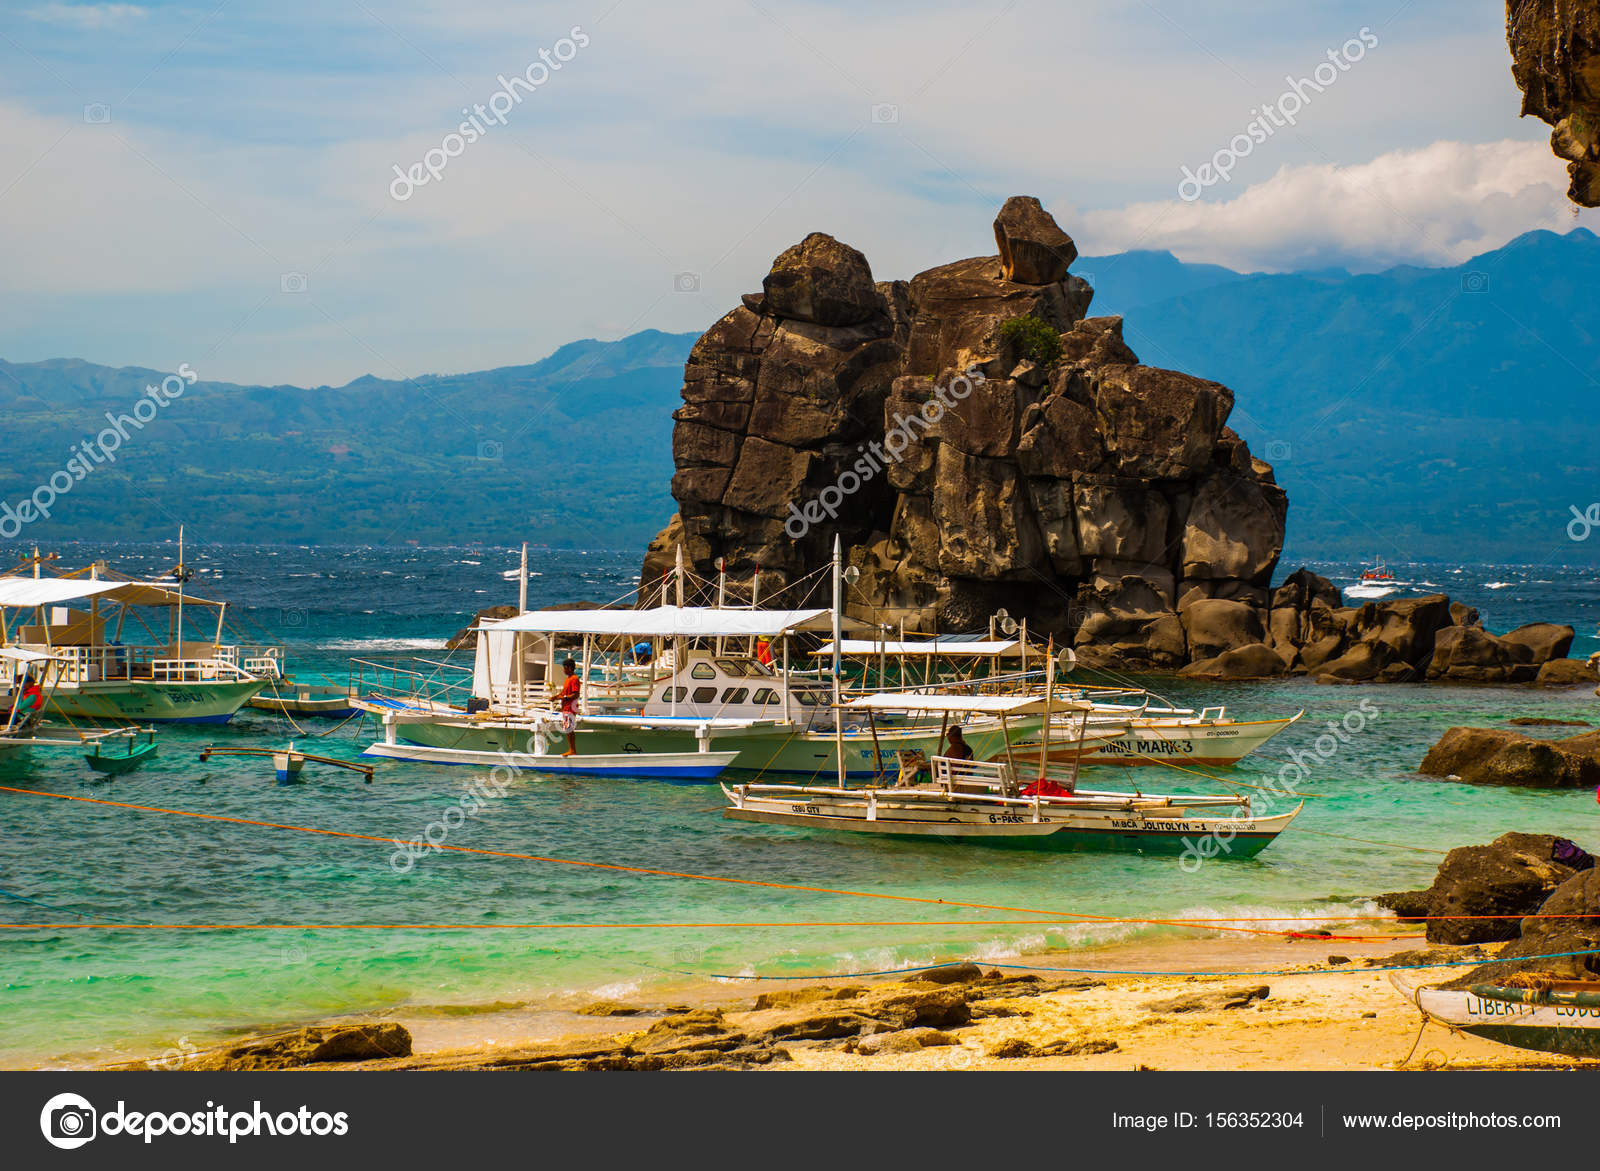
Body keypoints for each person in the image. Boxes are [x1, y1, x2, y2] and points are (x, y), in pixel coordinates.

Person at [553, 658, 581, 756]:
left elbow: (575, 694)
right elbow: (564, 693)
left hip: (570, 707)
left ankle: (572, 750)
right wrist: (556, 697)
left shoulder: (574, 679)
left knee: (569, 729)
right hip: (566, 708)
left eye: (564, 668)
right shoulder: (568, 679)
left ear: (569, 668)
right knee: (567, 729)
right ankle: (571, 749)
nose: (563, 670)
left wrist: (564, 697)